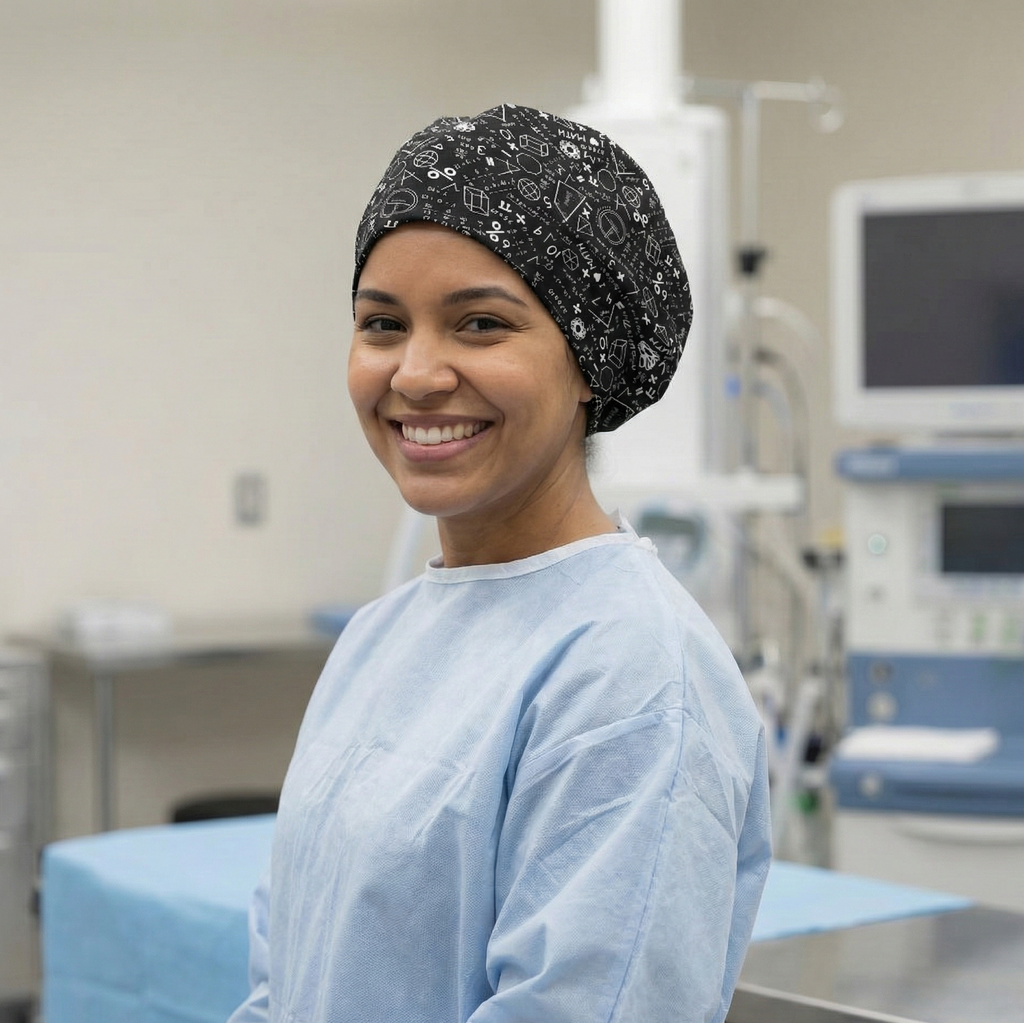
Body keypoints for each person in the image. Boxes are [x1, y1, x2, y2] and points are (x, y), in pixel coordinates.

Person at [228, 103, 770, 1023]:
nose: (416, 373)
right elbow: (284, 981)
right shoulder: (377, 638)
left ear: (590, 357)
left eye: (480, 324)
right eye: (382, 323)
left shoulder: (632, 675)